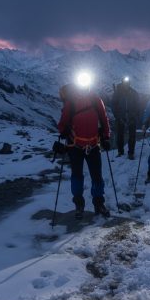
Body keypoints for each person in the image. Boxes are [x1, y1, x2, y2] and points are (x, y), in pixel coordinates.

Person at [58, 83, 112, 219]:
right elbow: (62, 123)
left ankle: (95, 204)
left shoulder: (93, 99)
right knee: (81, 176)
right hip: (82, 146)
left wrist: (106, 136)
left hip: (83, 146)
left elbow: (104, 119)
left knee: (93, 176)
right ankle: (82, 204)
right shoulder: (87, 100)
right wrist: (105, 136)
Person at [111, 77, 140, 159]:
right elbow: (113, 105)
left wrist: (134, 115)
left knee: (131, 135)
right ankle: (121, 151)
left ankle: (130, 152)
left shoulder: (132, 93)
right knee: (120, 135)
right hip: (121, 117)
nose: (127, 84)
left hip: (130, 117)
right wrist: (117, 115)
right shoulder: (119, 93)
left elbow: (137, 106)